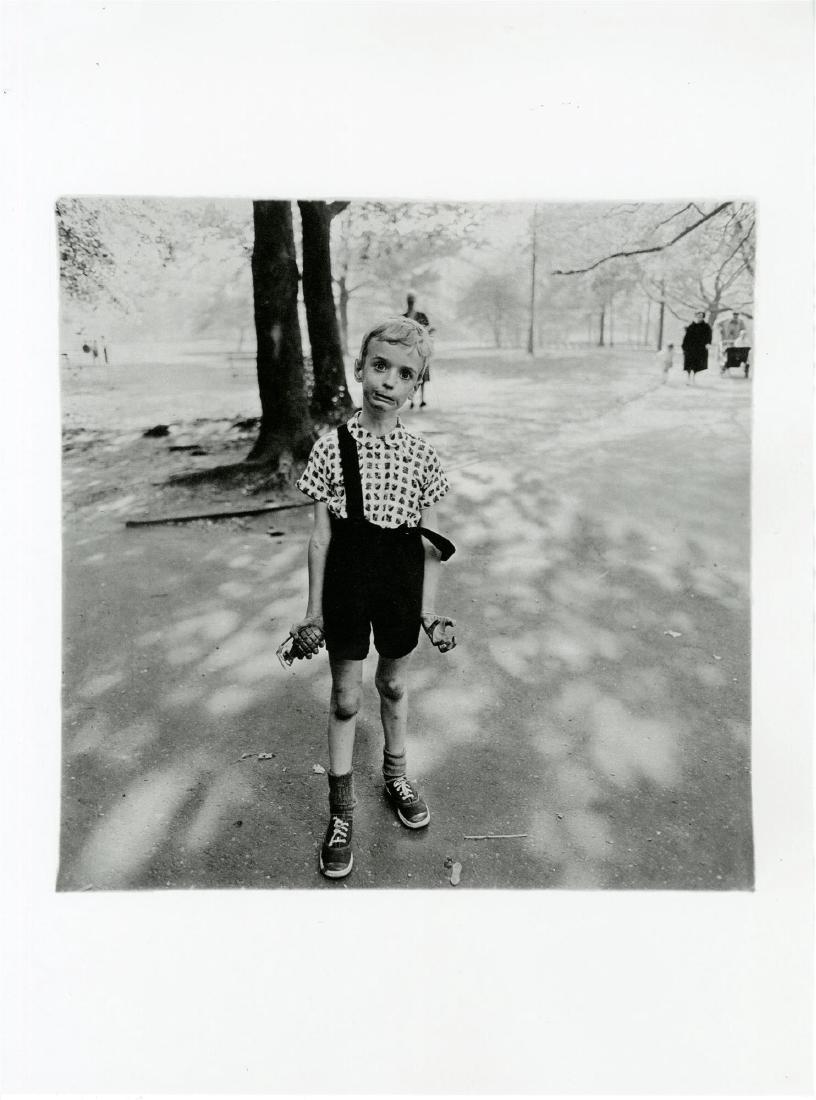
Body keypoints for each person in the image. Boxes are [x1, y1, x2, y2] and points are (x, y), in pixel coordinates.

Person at [292, 316, 457, 880]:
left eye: (405, 373)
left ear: (417, 385)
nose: (389, 380)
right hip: (347, 584)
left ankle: (396, 776)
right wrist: (312, 612)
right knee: (345, 699)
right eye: (380, 366)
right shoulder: (330, 448)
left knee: (392, 685)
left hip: (399, 586)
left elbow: (431, 545)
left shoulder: (423, 457)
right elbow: (320, 538)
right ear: (360, 368)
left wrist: (428, 612)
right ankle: (340, 813)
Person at [403, 291, 433, 408]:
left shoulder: (422, 316)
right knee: (411, 376)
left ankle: (422, 399)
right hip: (408, 351)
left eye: (412, 301)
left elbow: (428, 331)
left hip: (421, 350)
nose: (410, 303)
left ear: (414, 302)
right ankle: (411, 400)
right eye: (409, 301)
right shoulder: (403, 317)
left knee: (422, 375)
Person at [681, 311, 712, 385]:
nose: (699, 317)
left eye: (701, 316)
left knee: (697, 364)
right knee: (689, 364)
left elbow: (709, 336)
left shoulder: (706, 326)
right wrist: (684, 346)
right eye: (698, 316)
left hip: (700, 348)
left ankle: (694, 378)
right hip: (690, 348)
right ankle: (688, 378)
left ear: (703, 317)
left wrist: (708, 343)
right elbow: (686, 337)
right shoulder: (691, 326)